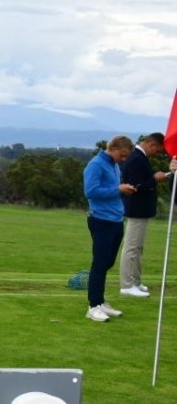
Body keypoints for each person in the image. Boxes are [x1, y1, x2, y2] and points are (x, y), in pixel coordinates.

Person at [82, 136, 136, 322]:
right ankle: (93, 305)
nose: (123, 159)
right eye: (122, 155)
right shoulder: (96, 165)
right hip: (101, 219)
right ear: (112, 148)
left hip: (115, 219)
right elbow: (91, 191)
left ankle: (101, 302)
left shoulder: (113, 164)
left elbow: (112, 188)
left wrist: (120, 189)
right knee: (100, 263)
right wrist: (118, 189)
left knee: (107, 263)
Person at [119, 132, 171, 298]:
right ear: (151, 144)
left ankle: (135, 281)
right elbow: (135, 186)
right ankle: (127, 285)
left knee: (138, 247)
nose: (158, 154)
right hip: (136, 209)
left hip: (142, 210)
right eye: (158, 150)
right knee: (131, 247)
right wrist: (155, 179)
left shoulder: (140, 158)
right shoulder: (135, 159)